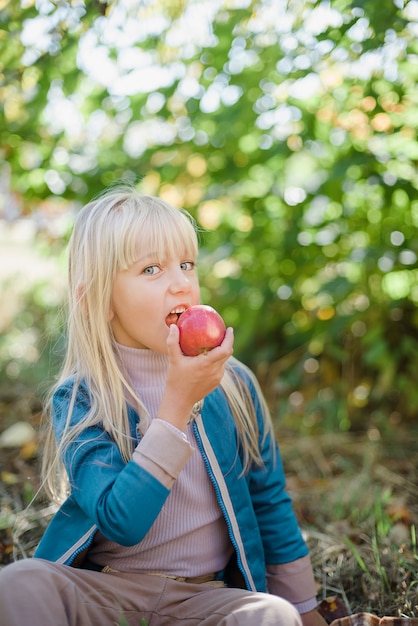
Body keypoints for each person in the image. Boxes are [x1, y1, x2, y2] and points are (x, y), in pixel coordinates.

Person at [0, 186, 327, 626]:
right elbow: (123, 522)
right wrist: (176, 406)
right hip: (106, 593)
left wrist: (305, 610)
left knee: (271, 615)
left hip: (205, 600)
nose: (180, 282)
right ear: (98, 299)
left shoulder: (233, 385)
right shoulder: (84, 398)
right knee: (20, 583)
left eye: (186, 264)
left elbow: (269, 501)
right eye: (151, 268)